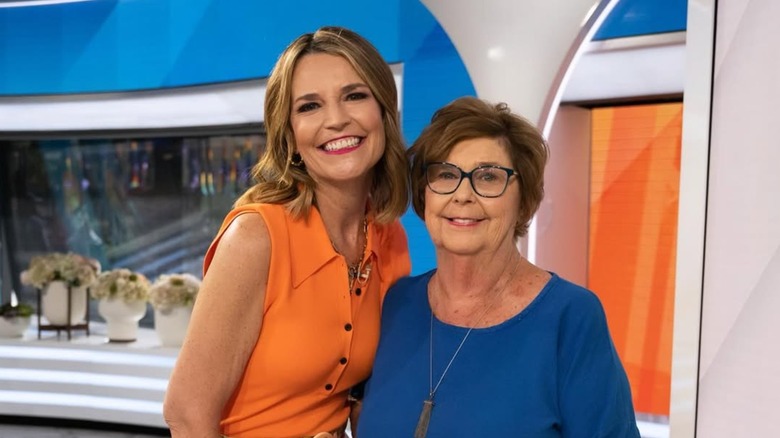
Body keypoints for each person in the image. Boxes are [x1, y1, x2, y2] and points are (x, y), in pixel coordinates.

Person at [163, 26, 411, 438]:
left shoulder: (390, 236)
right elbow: (187, 414)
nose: (336, 119)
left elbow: (362, 397)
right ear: (290, 137)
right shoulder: (255, 237)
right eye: (310, 106)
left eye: (355, 95)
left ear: (384, 112)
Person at [357, 96, 641, 437]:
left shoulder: (571, 318)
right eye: (446, 174)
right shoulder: (395, 303)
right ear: (424, 194)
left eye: (488, 177)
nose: (462, 195)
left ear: (523, 200)